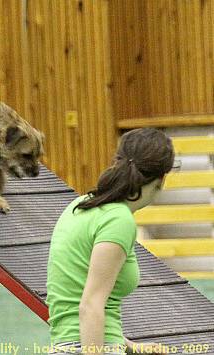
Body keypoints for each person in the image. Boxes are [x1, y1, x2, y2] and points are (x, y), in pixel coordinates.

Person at [46, 128, 175, 355]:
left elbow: (77, 296)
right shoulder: (119, 219)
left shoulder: (81, 205)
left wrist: (130, 345)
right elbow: (90, 305)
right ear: (162, 179)